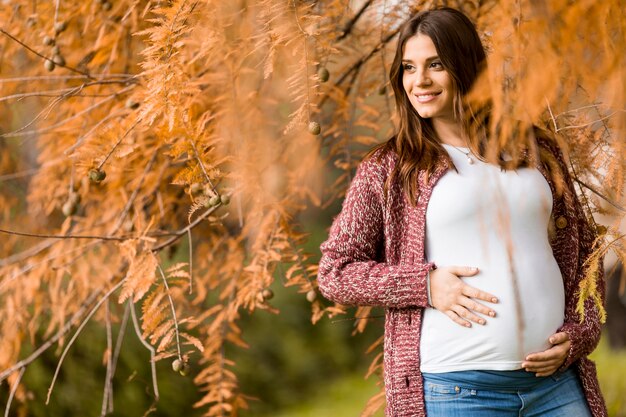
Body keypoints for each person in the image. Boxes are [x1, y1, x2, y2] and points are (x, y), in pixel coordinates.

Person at [317, 7, 607, 417]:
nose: (419, 81)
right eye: (408, 68)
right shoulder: (389, 168)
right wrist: (425, 284)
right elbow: (335, 273)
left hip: (557, 387)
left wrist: (580, 334)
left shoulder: (537, 149)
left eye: (435, 65)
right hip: (458, 392)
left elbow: (585, 257)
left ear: (466, 66)